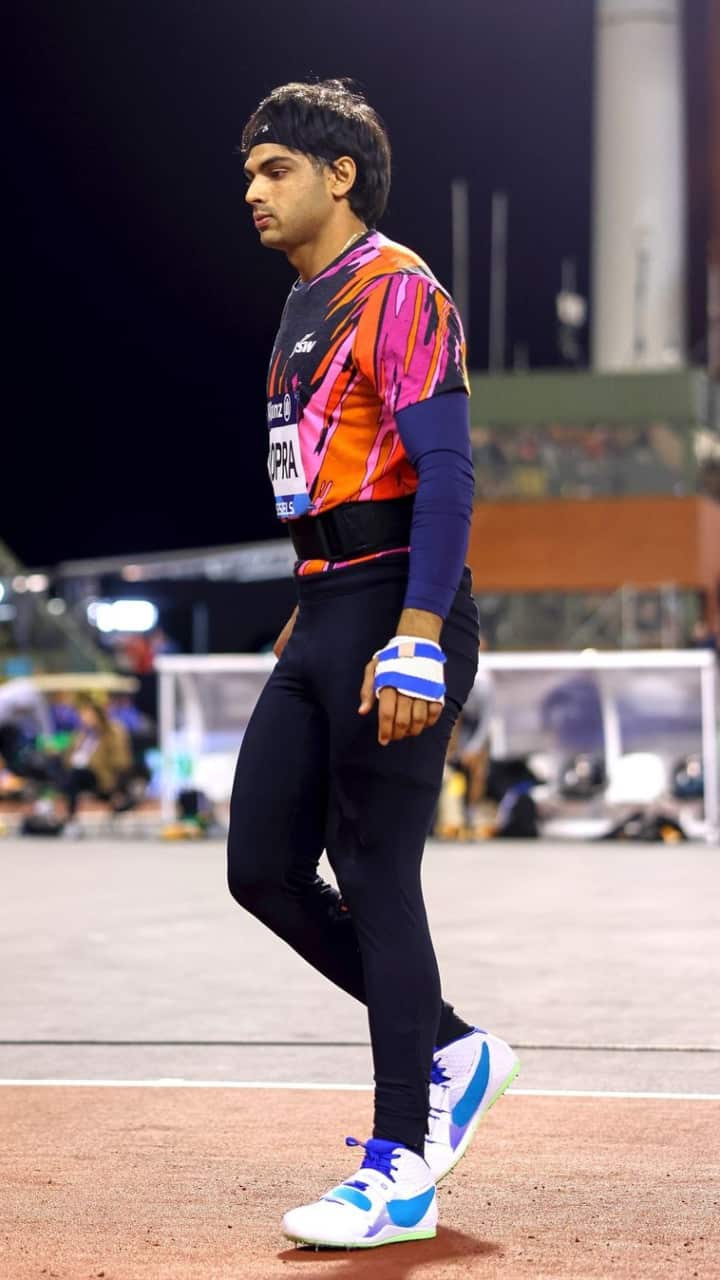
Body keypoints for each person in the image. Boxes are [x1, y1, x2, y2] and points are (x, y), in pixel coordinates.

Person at [228, 80, 518, 1250]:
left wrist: (416, 631)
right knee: (261, 866)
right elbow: (321, 475)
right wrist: (310, 599)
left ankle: (402, 1165)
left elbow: (444, 473)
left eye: (275, 170)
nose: (253, 192)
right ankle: (453, 1045)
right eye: (249, 174)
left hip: (397, 608)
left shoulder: (397, 288)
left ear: (338, 174)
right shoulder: (304, 302)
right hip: (323, 606)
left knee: (374, 867)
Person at [58, 695, 132, 825]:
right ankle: (61, 806)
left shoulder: (111, 733)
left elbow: (121, 761)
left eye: (87, 715)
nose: (84, 718)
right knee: (59, 767)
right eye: (82, 715)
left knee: (76, 775)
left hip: (101, 775)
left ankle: (70, 816)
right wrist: (76, 746)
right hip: (79, 771)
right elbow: (68, 757)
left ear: (97, 715)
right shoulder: (81, 733)